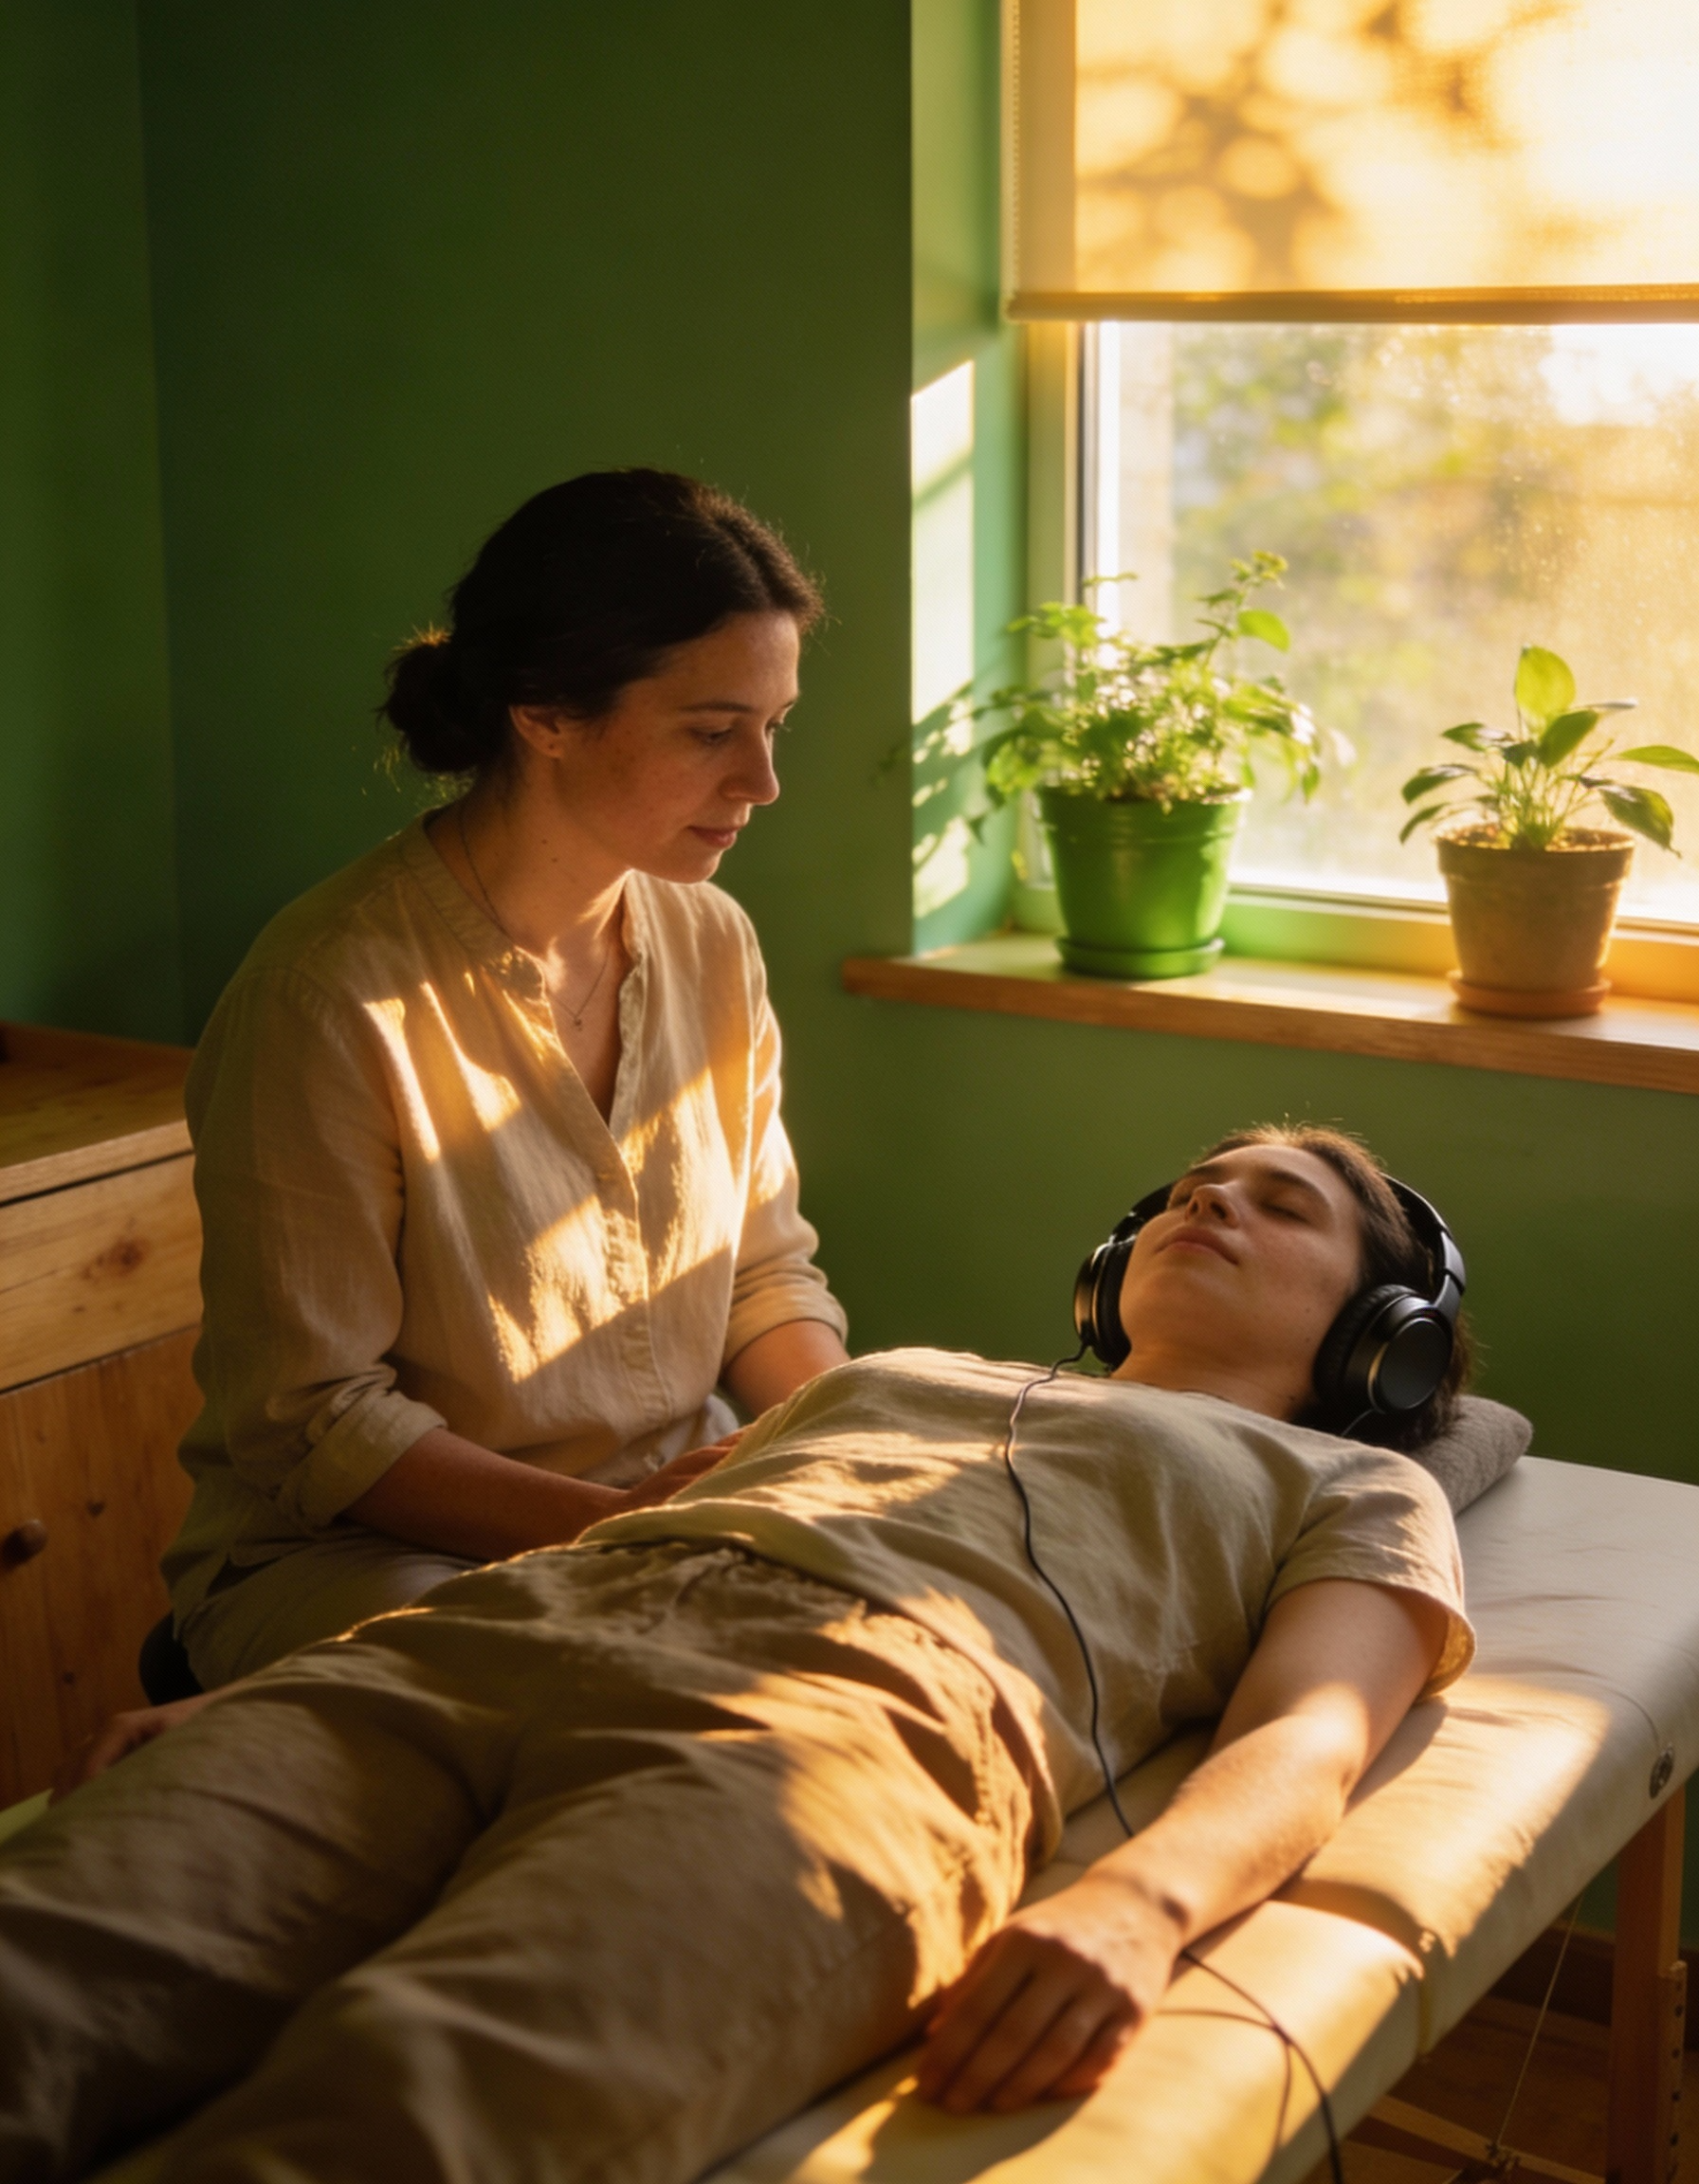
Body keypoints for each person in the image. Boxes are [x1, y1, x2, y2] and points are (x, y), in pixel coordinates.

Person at [0, 1126, 1475, 2184]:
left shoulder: (1354, 1487)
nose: (1210, 1195)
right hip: (495, 1637)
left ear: (1377, 1342)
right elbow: (601, 1538)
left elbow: (1310, 1730)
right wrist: (277, 1686)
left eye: (1281, 1206)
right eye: (1200, 1181)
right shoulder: (903, 1374)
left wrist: (1138, 1907)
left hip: (845, 1733)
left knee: (408, 2105)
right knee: (47, 1968)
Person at [159, 468, 850, 1691]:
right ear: (545, 715)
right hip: (373, 1558)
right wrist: (618, 1525)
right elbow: (316, 1420)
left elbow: (758, 1273)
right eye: (711, 731)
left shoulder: (709, 943)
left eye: (773, 724)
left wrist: (848, 1444)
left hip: (665, 1508)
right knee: (625, 1712)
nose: (762, 782)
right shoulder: (328, 995)